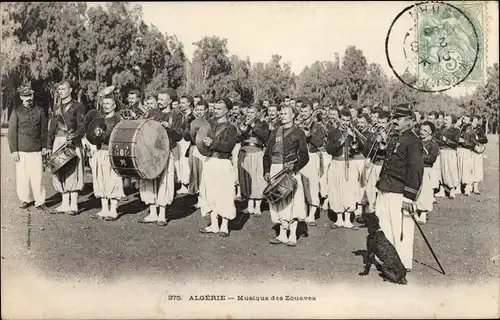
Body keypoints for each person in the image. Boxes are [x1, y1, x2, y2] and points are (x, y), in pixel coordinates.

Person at [375, 104, 424, 271]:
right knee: (385, 225)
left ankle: (402, 262)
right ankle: (388, 260)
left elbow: (415, 170)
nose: (394, 121)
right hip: (385, 187)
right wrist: (383, 147)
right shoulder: (396, 137)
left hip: (399, 192)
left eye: (398, 118)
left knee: (401, 229)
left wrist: (409, 197)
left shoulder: (413, 141)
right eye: (393, 117)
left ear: (409, 121)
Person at [263, 105, 309, 246]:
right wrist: (266, 170)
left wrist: (294, 168)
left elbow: (304, 156)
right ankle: (282, 234)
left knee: (292, 202)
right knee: (278, 201)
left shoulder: (299, 133)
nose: (282, 116)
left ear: (293, 115)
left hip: (290, 171)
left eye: (285, 113)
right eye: (281, 113)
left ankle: (293, 234)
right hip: (275, 168)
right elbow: (267, 154)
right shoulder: (275, 132)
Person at [137, 89, 182, 226]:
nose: (160, 102)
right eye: (159, 99)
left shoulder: (176, 116)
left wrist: (169, 128)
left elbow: (179, 136)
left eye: (163, 99)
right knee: (149, 179)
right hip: (150, 152)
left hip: (165, 152)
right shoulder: (152, 113)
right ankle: (152, 212)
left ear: (170, 101)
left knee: (164, 181)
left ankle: (162, 214)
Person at [199, 98, 238, 237]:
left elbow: (228, 146)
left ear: (227, 110)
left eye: (219, 108)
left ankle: (225, 225)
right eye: (215, 108)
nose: (216, 111)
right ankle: (214, 224)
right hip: (210, 161)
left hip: (223, 163)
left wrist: (212, 143)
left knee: (224, 193)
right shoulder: (209, 125)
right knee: (210, 193)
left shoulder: (231, 128)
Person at [8, 84, 49, 211]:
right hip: (22, 150)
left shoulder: (40, 110)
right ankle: (25, 199)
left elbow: (44, 131)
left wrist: (44, 147)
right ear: (21, 97)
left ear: (33, 95)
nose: (28, 98)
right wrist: (14, 151)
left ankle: (40, 201)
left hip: (36, 150)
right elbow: (11, 133)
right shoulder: (16, 112)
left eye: (30, 95)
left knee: (38, 176)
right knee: (22, 177)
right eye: (25, 96)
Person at [47, 80, 86, 215]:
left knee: (73, 170)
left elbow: (82, 126)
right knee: (60, 170)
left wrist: (75, 138)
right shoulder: (56, 107)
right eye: (59, 89)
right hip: (58, 141)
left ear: (70, 90)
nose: (61, 91)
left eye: (63, 89)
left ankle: (74, 204)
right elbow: (52, 127)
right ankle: (64, 203)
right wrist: (48, 145)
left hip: (72, 141)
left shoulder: (78, 106)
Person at [89, 95, 125, 221]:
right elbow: (92, 136)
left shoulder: (118, 120)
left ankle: (113, 209)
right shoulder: (99, 119)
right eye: (104, 103)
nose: (105, 106)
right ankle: (104, 208)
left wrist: (102, 135)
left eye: (108, 103)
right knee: (101, 179)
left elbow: (117, 137)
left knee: (113, 179)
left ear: (114, 105)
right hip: (100, 152)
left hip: (111, 153)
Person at [325, 109, 363, 229]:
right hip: (336, 162)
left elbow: (361, 148)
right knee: (336, 189)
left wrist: (353, 136)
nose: (345, 123)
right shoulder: (333, 132)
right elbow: (329, 150)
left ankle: (348, 220)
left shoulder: (353, 132)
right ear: (339, 119)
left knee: (349, 190)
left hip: (350, 163)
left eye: (348, 120)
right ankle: (339, 219)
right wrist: (340, 141)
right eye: (343, 120)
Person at [237, 104, 270, 216]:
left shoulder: (263, 124)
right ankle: (250, 205)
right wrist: (243, 130)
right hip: (245, 152)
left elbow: (264, 137)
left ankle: (258, 206)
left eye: (251, 113)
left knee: (258, 179)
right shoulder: (244, 123)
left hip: (257, 153)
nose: (248, 115)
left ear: (257, 114)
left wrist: (254, 125)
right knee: (247, 179)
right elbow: (239, 138)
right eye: (248, 112)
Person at [297, 102, 325, 226]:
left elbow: (319, 143)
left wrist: (310, 136)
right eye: (301, 111)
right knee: (300, 184)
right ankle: (302, 212)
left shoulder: (318, 126)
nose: (303, 114)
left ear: (311, 112)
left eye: (305, 111)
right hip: (300, 156)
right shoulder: (297, 124)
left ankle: (312, 214)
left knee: (312, 184)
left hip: (312, 156)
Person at [415, 121, 440, 224]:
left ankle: (424, 213)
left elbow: (431, 159)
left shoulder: (433, 144)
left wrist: (418, 157)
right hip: (415, 169)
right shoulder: (416, 141)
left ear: (430, 132)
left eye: (425, 130)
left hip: (426, 170)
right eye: (421, 129)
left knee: (425, 191)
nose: (422, 132)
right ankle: (415, 211)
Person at [187, 100, 209, 204]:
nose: (199, 112)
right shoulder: (192, 121)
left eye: (202, 110)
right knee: (195, 173)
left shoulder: (210, 121)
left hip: (205, 150)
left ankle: (205, 197)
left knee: (204, 173)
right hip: (194, 148)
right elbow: (187, 137)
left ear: (206, 110)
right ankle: (199, 198)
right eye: (197, 110)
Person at [436, 114, 460, 199]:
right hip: (441, 152)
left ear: (452, 121)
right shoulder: (440, 130)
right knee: (441, 171)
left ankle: (452, 190)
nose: (445, 121)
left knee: (450, 171)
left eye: (447, 119)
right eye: (444, 119)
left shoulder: (455, 130)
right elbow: (437, 140)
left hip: (450, 153)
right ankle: (441, 190)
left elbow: (455, 143)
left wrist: (446, 140)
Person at [469, 115, 488, 194]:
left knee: (476, 169)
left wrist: (478, 138)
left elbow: (485, 140)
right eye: (474, 121)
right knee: (469, 169)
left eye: (477, 121)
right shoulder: (468, 129)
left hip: (477, 152)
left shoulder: (480, 129)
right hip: (469, 151)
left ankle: (475, 187)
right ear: (471, 121)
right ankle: (469, 187)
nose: (475, 123)